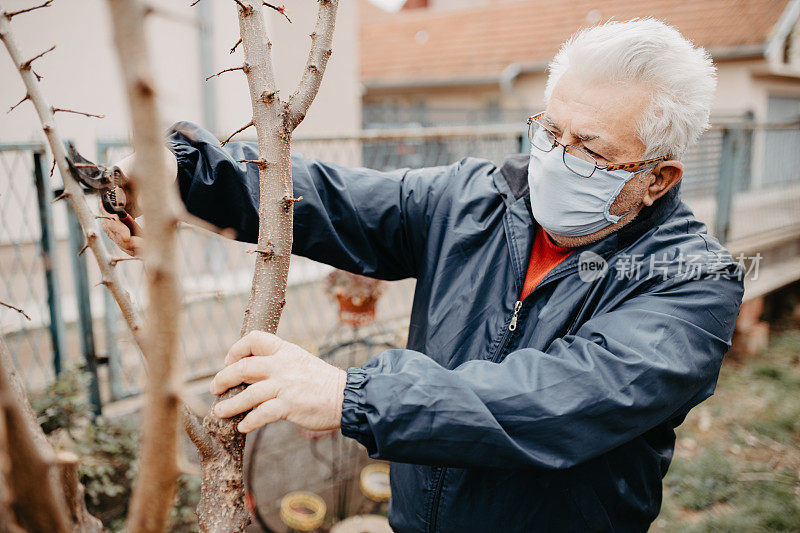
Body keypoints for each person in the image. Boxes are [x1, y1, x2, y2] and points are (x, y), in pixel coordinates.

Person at [102, 18, 744, 533]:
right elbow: (335, 200)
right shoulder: (477, 199)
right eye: (550, 130)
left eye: (591, 148)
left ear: (657, 178)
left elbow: (559, 401)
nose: (556, 157)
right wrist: (180, 175)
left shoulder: (692, 281)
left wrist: (353, 396)